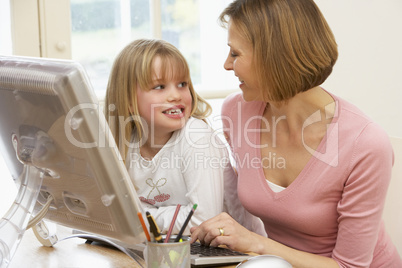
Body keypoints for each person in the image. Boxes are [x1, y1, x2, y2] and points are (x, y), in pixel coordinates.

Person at [190, 0, 402, 267]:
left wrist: (257, 243)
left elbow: (350, 266)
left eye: (235, 54)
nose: (226, 65)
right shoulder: (236, 112)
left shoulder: (365, 144)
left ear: (275, 58)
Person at [104, 39, 229, 235]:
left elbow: (204, 220)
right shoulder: (125, 143)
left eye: (182, 84)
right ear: (128, 100)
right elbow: (112, 212)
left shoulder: (196, 137)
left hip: (233, 253)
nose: (175, 96)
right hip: (174, 243)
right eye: (160, 87)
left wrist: (145, 217)